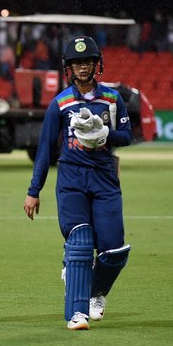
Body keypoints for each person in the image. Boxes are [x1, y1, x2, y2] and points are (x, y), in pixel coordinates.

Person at [23, 36, 133, 330]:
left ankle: (96, 292)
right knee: (81, 242)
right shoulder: (60, 103)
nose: (83, 67)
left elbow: (126, 136)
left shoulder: (112, 99)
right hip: (72, 177)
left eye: (87, 62)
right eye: (77, 63)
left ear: (97, 64)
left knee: (113, 250)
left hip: (104, 177)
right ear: (68, 68)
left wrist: (105, 134)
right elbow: (46, 148)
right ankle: (77, 313)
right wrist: (34, 191)